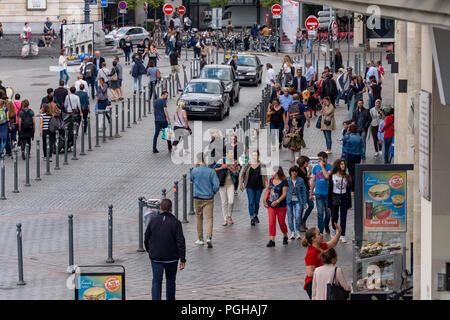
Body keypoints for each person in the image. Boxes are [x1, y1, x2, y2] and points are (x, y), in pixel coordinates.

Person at [144, 199, 186, 300]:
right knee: (171, 281)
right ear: (171, 209)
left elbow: (146, 237)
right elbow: (180, 241)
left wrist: (149, 250)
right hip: (171, 258)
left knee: (156, 281)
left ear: (161, 208)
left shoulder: (153, 220)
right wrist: (182, 259)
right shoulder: (176, 223)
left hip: (156, 257)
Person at [301, 225, 342, 299]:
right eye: (319, 234)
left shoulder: (321, 246)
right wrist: (326, 273)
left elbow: (333, 243)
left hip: (321, 281)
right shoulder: (311, 253)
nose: (322, 234)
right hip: (313, 283)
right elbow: (310, 273)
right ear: (313, 239)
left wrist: (339, 232)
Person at [191, 152, 220, 248]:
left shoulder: (195, 171)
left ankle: (200, 239)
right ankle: (209, 237)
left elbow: (192, 179)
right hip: (208, 197)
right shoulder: (211, 171)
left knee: (199, 218)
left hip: (197, 197)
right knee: (209, 218)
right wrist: (213, 192)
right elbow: (216, 185)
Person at [263, 166, 289, 247]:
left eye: (273, 172)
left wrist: (277, 201)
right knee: (271, 222)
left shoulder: (284, 182)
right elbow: (267, 190)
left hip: (281, 205)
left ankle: (285, 235)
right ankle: (272, 240)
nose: (271, 173)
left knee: (281, 222)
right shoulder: (271, 180)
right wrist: (264, 200)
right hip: (271, 205)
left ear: (277, 173)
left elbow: (284, 194)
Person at [327, 159, 352, 243]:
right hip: (334, 196)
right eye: (341, 164)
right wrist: (329, 204)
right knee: (334, 216)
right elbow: (329, 191)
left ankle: (342, 234)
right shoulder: (332, 176)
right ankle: (333, 229)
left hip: (344, 196)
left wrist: (349, 203)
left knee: (343, 216)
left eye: (344, 164)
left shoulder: (347, 176)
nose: (343, 166)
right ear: (338, 165)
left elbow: (348, 191)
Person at [240, 150, 267, 226]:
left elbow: (265, 177)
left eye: (256, 155)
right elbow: (242, 174)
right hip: (249, 186)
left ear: (258, 156)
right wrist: (241, 184)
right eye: (253, 155)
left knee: (257, 202)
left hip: (259, 186)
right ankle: (252, 217)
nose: (254, 157)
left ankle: (255, 214)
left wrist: (268, 186)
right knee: (251, 201)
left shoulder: (262, 165)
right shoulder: (248, 165)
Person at [214, 150, 240, 227]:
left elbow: (237, 173)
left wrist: (231, 169)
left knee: (231, 201)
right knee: (224, 202)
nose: (232, 154)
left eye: (232, 153)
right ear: (226, 154)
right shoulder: (221, 160)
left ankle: (229, 216)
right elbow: (214, 169)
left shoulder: (235, 162)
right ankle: (225, 219)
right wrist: (222, 167)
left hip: (230, 184)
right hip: (222, 184)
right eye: (230, 153)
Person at [310, 151, 332, 234]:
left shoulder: (330, 167)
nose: (319, 161)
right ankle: (320, 230)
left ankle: (326, 224)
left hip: (327, 193)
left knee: (328, 213)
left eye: (320, 159)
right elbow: (313, 181)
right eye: (318, 159)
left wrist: (322, 167)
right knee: (320, 213)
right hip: (318, 193)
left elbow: (327, 176)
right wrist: (311, 193)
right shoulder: (316, 168)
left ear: (325, 159)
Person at [286, 165, 307, 240]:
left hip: (298, 200)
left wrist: (304, 203)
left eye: (295, 171)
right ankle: (292, 232)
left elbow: (304, 191)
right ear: (290, 172)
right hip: (289, 200)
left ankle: (297, 231)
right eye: (292, 171)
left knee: (298, 216)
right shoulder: (287, 180)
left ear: (297, 172)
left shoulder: (300, 180)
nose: (294, 173)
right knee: (290, 216)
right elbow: (284, 190)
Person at [343, 124, 365, 192]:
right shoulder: (359, 138)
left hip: (349, 156)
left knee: (350, 172)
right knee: (356, 171)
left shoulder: (346, 137)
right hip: (357, 156)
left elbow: (343, 143)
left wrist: (346, 133)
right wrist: (363, 158)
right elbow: (362, 148)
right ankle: (356, 186)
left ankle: (352, 188)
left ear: (349, 130)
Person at [297, 156, 314, 232]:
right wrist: (310, 171)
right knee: (301, 208)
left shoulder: (304, 169)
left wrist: (310, 188)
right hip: (301, 191)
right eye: (307, 162)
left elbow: (306, 181)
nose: (308, 163)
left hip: (306, 189)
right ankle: (300, 224)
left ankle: (303, 221)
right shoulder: (298, 171)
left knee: (311, 205)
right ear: (303, 163)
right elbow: (304, 179)